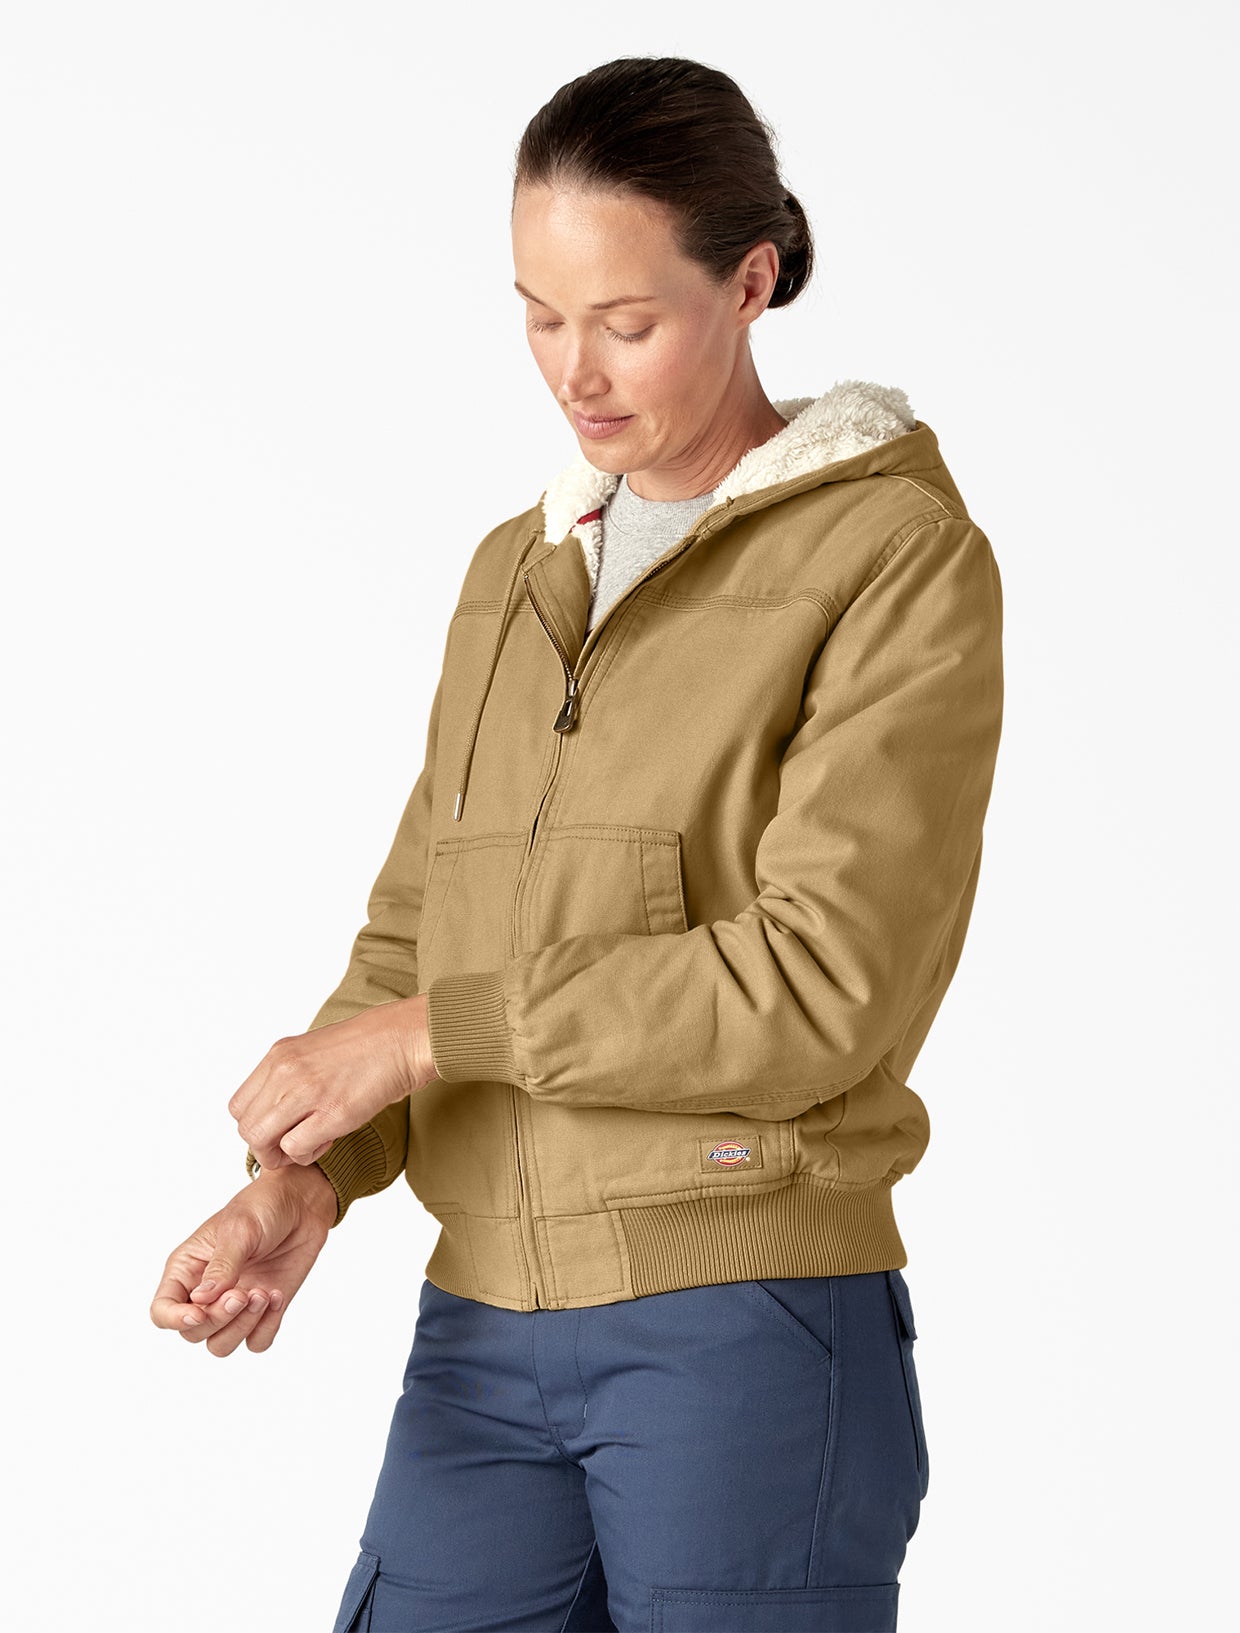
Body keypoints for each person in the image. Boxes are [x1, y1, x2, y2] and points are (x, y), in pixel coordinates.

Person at [150, 54, 1004, 1633]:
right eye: (540, 316)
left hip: (743, 1314)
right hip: (484, 1321)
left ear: (751, 281)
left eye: (625, 321)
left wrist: (435, 1033)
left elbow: (822, 985)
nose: (576, 372)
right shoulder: (519, 569)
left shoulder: (893, 558)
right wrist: (309, 1182)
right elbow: (418, 932)